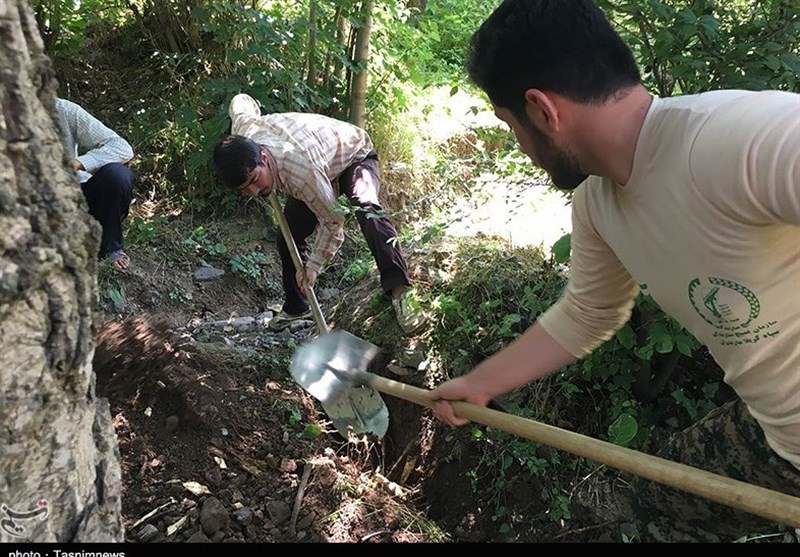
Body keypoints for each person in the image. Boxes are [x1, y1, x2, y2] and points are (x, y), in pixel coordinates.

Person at [424, 0, 799, 543]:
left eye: (509, 125)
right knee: (660, 506)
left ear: (542, 110)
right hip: (775, 435)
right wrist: (479, 386)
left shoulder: (742, 138)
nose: (520, 146)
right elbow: (588, 313)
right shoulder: (598, 205)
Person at [212, 93, 427, 334]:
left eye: (254, 180)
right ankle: (296, 307)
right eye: (245, 189)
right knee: (288, 237)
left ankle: (401, 290)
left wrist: (313, 266)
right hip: (318, 163)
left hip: (353, 156)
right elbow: (241, 101)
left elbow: (333, 220)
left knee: (367, 208)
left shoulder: (301, 174)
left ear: (263, 157)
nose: (255, 191)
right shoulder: (244, 131)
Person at [55, 97, 136, 270]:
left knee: (117, 176)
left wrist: (80, 162)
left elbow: (122, 147)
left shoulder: (63, 110)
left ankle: (109, 247)